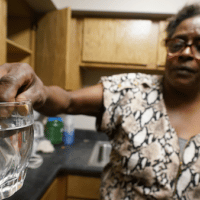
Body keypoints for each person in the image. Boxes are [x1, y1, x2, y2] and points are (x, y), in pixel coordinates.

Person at [1, 3, 200, 199]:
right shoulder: (130, 89)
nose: (185, 53)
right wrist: (40, 91)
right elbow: (68, 101)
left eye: (199, 46)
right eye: (177, 44)